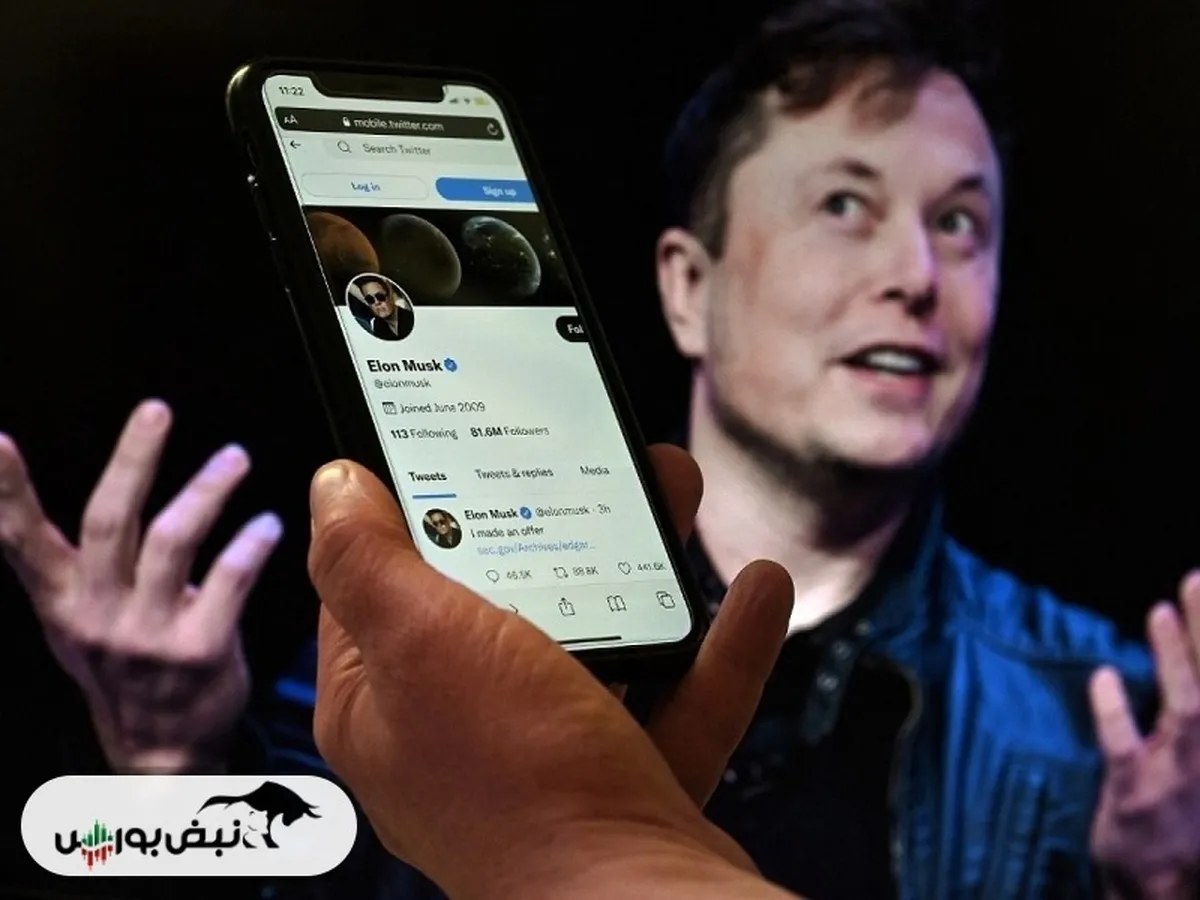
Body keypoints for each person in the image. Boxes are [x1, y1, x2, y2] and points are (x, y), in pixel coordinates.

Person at [650, 1, 1200, 898]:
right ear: (688, 290)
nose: (916, 276)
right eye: (844, 204)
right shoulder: (497, 647)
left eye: (958, 224)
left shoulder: (1114, 735)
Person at [354, 273, 415, 341]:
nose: (376, 302)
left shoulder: (410, 319)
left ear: (390, 295)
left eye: (380, 296)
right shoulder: (376, 327)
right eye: (370, 299)